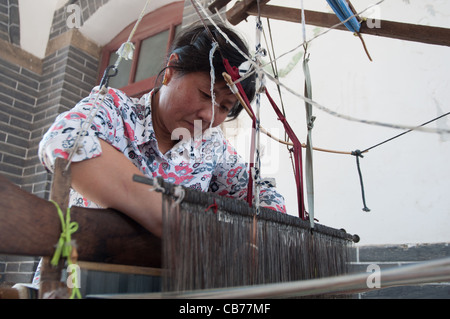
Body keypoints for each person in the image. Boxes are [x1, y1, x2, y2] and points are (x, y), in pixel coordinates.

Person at [38, 23, 286, 239]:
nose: (210, 116)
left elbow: (262, 195)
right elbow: (63, 139)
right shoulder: (116, 111)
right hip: (76, 279)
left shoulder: (210, 147)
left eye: (224, 106)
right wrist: (171, 220)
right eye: (205, 94)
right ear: (171, 69)